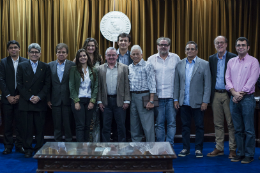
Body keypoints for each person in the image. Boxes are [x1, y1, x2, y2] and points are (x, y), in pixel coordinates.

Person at [174, 41, 211, 158]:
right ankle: (186, 148)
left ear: (196, 50)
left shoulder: (204, 64)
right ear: (185, 51)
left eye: (192, 49)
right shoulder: (179, 64)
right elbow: (176, 83)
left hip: (198, 102)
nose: (190, 51)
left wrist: (205, 101)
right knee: (185, 126)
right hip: (183, 101)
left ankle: (199, 149)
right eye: (187, 49)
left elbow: (207, 85)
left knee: (199, 126)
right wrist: (176, 99)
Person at [225, 37, 259, 164]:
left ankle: (249, 155)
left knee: (249, 129)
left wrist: (240, 94)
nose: (241, 47)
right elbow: (227, 78)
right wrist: (234, 93)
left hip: (247, 99)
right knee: (237, 129)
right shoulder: (231, 62)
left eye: (243, 45)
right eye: (238, 45)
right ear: (235, 47)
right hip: (234, 99)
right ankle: (240, 153)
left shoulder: (254, 61)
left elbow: (252, 80)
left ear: (248, 47)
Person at [17, 43, 51, 158]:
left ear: (40, 54)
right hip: (26, 102)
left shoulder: (45, 66)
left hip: (40, 102)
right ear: (28, 53)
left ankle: (39, 148)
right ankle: (28, 149)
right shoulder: (22, 66)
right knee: (27, 128)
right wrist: (30, 97)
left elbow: (47, 85)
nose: (34, 54)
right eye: (32, 52)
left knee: (40, 128)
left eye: (36, 52)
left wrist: (39, 97)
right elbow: (19, 85)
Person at [207, 36, 237, 158]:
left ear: (226, 44)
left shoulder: (233, 57)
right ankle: (219, 148)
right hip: (215, 94)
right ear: (215, 45)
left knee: (231, 123)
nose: (220, 45)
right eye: (217, 43)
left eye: (222, 42)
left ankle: (232, 149)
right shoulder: (211, 58)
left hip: (229, 94)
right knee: (218, 123)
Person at [147, 37, 180, 147]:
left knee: (171, 123)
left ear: (169, 46)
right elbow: (149, 79)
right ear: (157, 46)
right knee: (159, 124)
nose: (163, 47)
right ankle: (161, 147)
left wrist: (177, 98)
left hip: (171, 96)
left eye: (166, 45)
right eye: (161, 45)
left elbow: (180, 78)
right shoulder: (151, 59)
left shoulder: (175, 58)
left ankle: (170, 145)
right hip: (157, 96)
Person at [97, 47, 131, 142]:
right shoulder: (100, 69)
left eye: (113, 55)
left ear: (117, 56)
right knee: (106, 126)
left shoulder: (124, 68)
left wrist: (127, 100)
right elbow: (99, 86)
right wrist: (99, 101)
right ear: (105, 57)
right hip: (105, 102)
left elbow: (127, 85)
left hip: (120, 101)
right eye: (109, 55)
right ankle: (105, 148)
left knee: (121, 126)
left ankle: (122, 147)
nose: (111, 57)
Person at [0, 40, 27, 154]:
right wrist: (8, 96)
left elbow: (27, 81)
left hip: (21, 99)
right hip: (7, 100)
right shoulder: (3, 62)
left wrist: (20, 95)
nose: (13, 49)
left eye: (15, 47)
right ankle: (8, 146)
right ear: (8, 50)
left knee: (20, 124)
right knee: (7, 124)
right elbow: (1, 80)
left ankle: (20, 145)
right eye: (11, 48)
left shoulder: (25, 62)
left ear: (19, 49)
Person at [74, 38, 103, 142]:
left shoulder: (99, 58)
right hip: (81, 97)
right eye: (89, 45)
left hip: (94, 95)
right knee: (82, 124)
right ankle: (83, 145)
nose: (91, 47)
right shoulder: (78, 59)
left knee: (95, 121)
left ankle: (95, 142)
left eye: (93, 45)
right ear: (85, 47)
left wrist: (94, 99)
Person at [69, 49, 98, 142]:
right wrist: (76, 101)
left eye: (84, 55)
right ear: (78, 58)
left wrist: (92, 101)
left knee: (87, 125)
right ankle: (80, 148)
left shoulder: (94, 70)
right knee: (80, 125)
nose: (83, 57)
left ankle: (87, 148)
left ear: (87, 57)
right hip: (78, 100)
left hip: (89, 101)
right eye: (80, 56)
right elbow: (71, 86)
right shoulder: (73, 70)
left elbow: (96, 87)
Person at [47, 43, 75, 142]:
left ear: (67, 54)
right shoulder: (50, 65)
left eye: (63, 52)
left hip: (68, 100)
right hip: (54, 101)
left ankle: (69, 145)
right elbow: (48, 84)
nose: (61, 54)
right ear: (56, 54)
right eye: (59, 52)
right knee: (57, 125)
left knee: (68, 125)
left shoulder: (72, 65)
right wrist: (48, 99)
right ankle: (57, 144)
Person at [128, 45, 156, 142]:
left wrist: (151, 100)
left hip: (145, 96)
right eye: (133, 54)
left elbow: (152, 83)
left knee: (147, 125)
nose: (135, 56)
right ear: (131, 56)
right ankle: (137, 147)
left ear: (142, 55)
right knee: (134, 124)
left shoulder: (148, 65)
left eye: (137, 54)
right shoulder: (129, 67)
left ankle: (151, 147)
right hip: (133, 96)